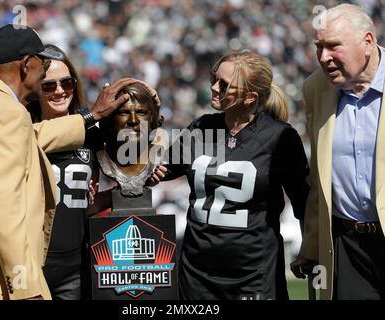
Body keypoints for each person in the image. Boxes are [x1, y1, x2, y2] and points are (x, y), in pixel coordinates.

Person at [0, 24, 136, 300]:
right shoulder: (6, 113)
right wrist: (27, 288)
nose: (47, 78)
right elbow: (5, 211)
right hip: (1, 276)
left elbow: (33, 137)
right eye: (43, 70)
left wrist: (91, 117)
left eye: (66, 82)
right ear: (27, 64)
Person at [163, 50, 309, 300]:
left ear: (250, 97)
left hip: (254, 276)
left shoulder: (279, 137)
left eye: (224, 84)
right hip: (196, 275)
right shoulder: (201, 128)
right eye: (213, 78)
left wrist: (310, 247)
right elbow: (160, 169)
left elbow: (305, 202)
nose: (213, 87)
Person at [291, 4, 385, 300]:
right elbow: (321, 180)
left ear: (367, 42)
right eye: (319, 47)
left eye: (333, 47)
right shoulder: (316, 89)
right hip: (348, 246)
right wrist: (313, 245)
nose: (323, 58)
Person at [27, 44, 97, 300]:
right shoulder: (22, 128)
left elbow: (84, 203)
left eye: (66, 83)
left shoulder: (91, 134)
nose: (59, 91)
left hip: (74, 268)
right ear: (36, 88)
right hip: (31, 265)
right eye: (48, 85)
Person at [91, 82, 166, 216]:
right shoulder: (98, 154)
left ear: (153, 121)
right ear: (109, 119)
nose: (133, 120)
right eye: (123, 112)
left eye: (141, 112)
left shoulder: (156, 157)